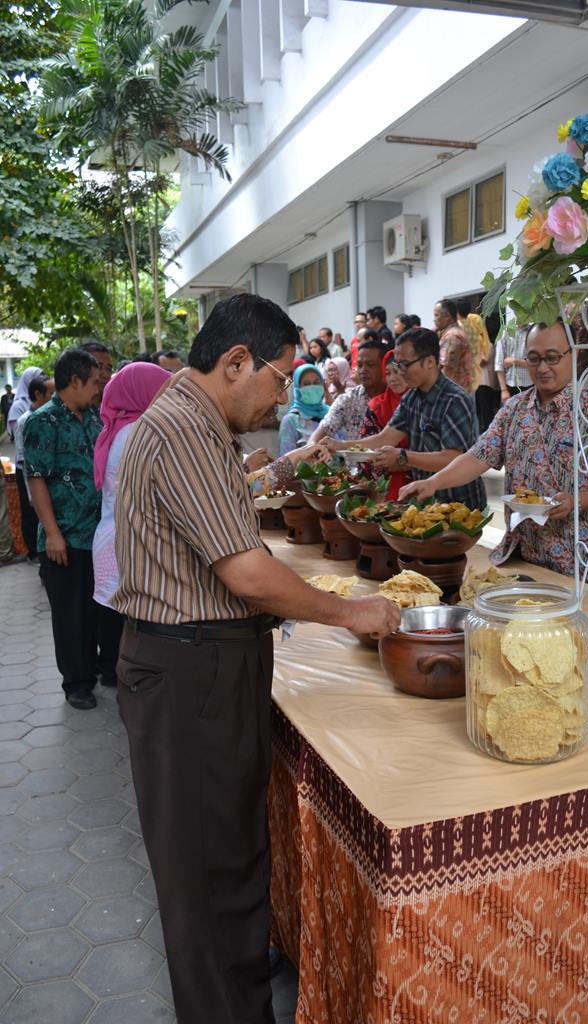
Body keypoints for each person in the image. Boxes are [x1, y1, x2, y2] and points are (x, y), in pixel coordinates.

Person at [111, 293, 399, 1024]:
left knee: (227, 866)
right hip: (190, 673)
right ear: (234, 361)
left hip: (202, 665)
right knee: (209, 882)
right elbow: (244, 572)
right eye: (278, 377)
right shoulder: (181, 428)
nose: (282, 394)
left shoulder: (194, 423)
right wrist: (350, 613)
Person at [399, 321, 588, 587]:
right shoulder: (515, 409)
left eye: (552, 358)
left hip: (576, 559)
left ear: (573, 354)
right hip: (521, 554)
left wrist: (576, 501)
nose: (542, 367)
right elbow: (478, 456)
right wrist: (433, 482)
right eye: (533, 359)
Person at [23, 348, 104, 709]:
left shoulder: (93, 417)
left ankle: (94, 668)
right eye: (94, 382)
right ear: (75, 381)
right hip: (64, 537)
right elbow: (36, 478)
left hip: (96, 534)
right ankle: (76, 682)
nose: (98, 389)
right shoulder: (43, 421)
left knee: (92, 610)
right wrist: (52, 532)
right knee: (69, 614)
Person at [325, 328, 486, 509]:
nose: (400, 372)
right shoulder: (412, 397)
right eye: (397, 365)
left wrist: (403, 456)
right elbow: (384, 438)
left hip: (457, 501)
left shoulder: (454, 400)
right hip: (425, 500)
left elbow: (453, 458)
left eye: (405, 365)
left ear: (430, 362)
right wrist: (339, 446)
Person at [92, 362, 172, 685]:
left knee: (115, 612)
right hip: (127, 539)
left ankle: (113, 673)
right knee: (127, 617)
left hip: (111, 535)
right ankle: (124, 679)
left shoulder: (118, 427)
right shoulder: (136, 432)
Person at [309, 336, 387, 443]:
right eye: (359, 365)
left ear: (385, 366)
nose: (363, 370)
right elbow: (322, 431)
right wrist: (311, 447)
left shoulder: (400, 398)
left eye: (370, 365)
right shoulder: (349, 399)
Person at [359, 351, 410, 499]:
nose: (393, 379)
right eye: (388, 373)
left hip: (428, 481)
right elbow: (367, 455)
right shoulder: (377, 407)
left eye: (398, 372)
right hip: (386, 486)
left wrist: (404, 463)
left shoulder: (421, 404)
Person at [14, 375, 54, 563]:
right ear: (38, 394)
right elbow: (23, 456)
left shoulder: (51, 415)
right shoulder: (26, 420)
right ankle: (38, 555)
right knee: (35, 513)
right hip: (29, 470)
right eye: (51, 393)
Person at [278, 364, 328, 455]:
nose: (312, 387)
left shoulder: (330, 414)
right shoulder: (291, 420)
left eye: (316, 382)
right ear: (297, 388)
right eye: (306, 384)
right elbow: (286, 460)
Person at [434, 298, 474, 393]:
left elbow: (448, 370)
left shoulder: (452, 336)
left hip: (453, 394)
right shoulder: (451, 333)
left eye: (436, 315)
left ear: (447, 316)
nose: (434, 319)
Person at [495, 324, 534, 402]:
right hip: (510, 386)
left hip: (530, 386)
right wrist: (504, 390)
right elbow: (499, 363)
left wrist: (514, 361)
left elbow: (535, 362)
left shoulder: (533, 332)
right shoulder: (505, 331)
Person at [7, 366, 44, 438]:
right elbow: (18, 436)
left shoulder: (42, 400)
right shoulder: (18, 406)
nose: (42, 383)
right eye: (38, 379)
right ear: (29, 380)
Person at [80, 341, 113, 407]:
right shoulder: (62, 411)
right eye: (98, 367)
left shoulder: (117, 407)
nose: (105, 375)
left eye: (108, 369)